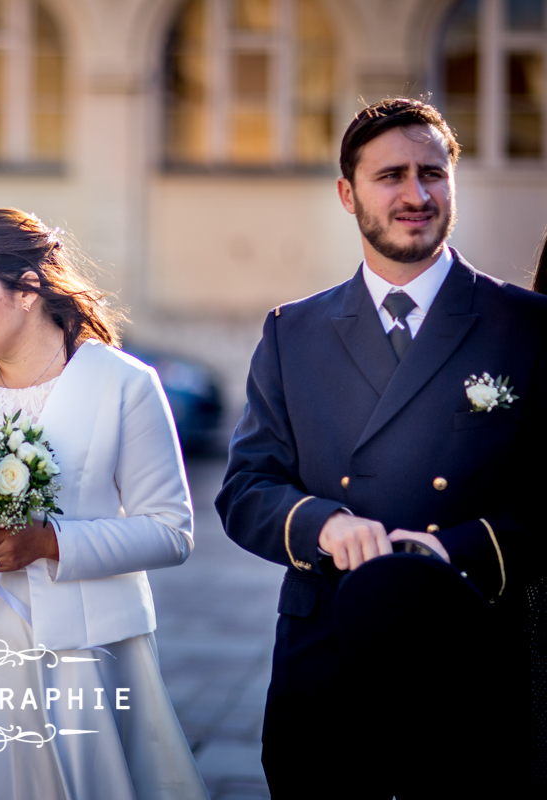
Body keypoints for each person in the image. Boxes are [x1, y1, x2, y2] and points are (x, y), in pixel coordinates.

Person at [216, 97, 547, 798]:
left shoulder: (525, 326)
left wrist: (450, 551)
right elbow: (246, 488)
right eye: (390, 175)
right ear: (348, 193)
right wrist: (323, 525)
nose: (415, 195)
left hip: (473, 653)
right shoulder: (292, 332)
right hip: (328, 658)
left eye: (432, 173)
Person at [0, 209, 208, 799]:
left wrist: (50, 542)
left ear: (27, 290)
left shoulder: (125, 383)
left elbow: (171, 531)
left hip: (79, 653)